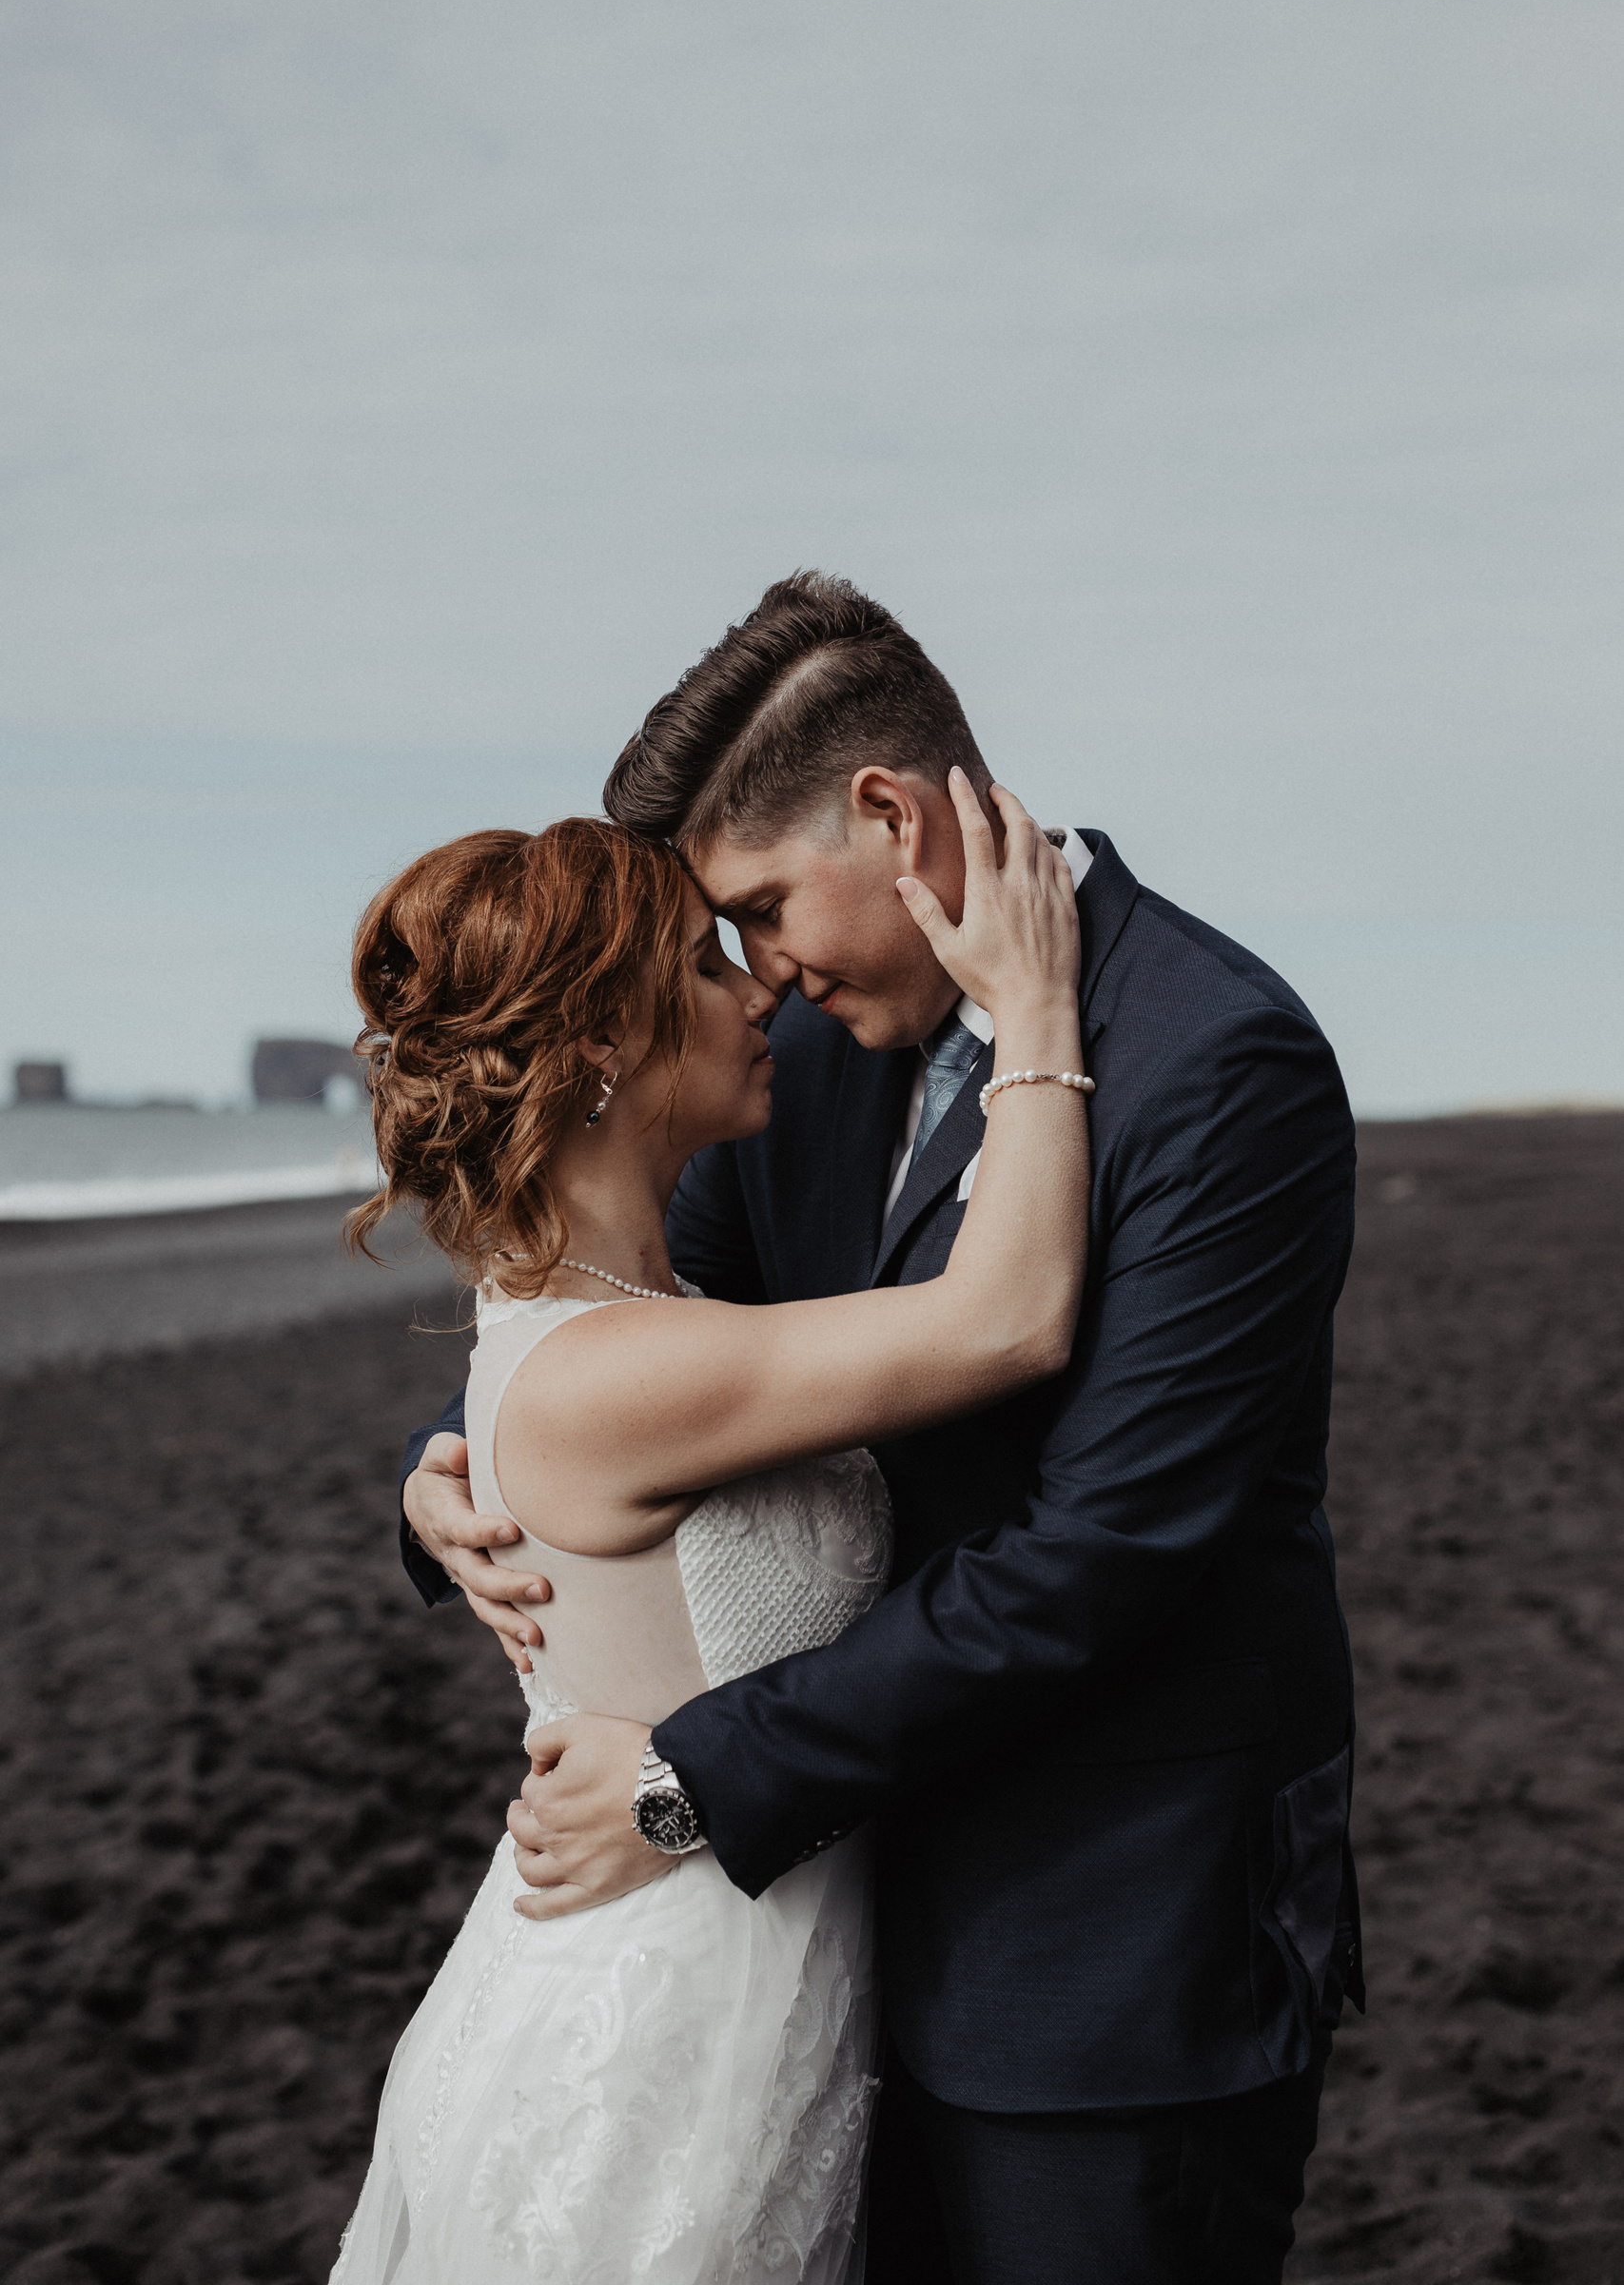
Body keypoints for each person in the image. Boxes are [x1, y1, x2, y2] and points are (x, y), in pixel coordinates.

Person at [401, 572, 1364, 2285]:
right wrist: (461, 1482)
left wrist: (699, 1780)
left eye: (764, 907)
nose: (758, 973)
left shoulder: (1219, 1062)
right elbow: (638, 1326)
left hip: (1096, 1958)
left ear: (888, 814)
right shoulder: (815, 1060)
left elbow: (1103, 1552)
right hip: (811, 1947)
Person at [331, 779, 1091, 2284]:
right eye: (701, 962)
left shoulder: (638, 1325)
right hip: (659, 2004)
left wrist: (447, 1465)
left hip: (760, 1969)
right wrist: (1039, 1018)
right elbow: (1007, 1321)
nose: (756, 991)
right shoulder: (621, 1367)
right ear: (606, 1042)